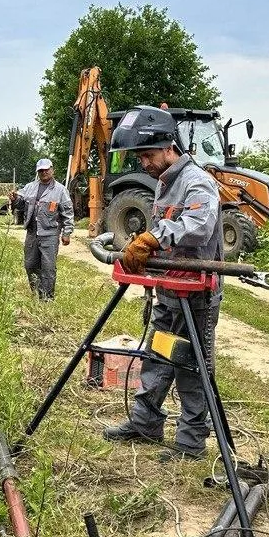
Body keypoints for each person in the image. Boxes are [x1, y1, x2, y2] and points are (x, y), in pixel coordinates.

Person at [100, 106, 223, 462]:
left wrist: (155, 237)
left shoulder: (196, 181)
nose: (144, 163)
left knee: (190, 364)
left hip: (197, 293)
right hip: (171, 286)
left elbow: (198, 225)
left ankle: (190, 442)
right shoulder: (166, 183)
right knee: (158, 355)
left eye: (148, 155)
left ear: (169, 147)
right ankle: (145, 423)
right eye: (140, 157)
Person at [9, 158, 74, 301]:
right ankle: (37, 293)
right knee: (30, 265)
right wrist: (14, 199)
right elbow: (20, 205)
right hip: (32, 233)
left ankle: (47, 299)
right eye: (41, 170)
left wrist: (67, 232)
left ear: (52, 170)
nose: (44, 172)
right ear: (37, 172)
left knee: (48, 268)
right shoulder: (29, 187)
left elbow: (67, 213)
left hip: (50, 234)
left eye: (46, 169)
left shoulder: (61, 190)